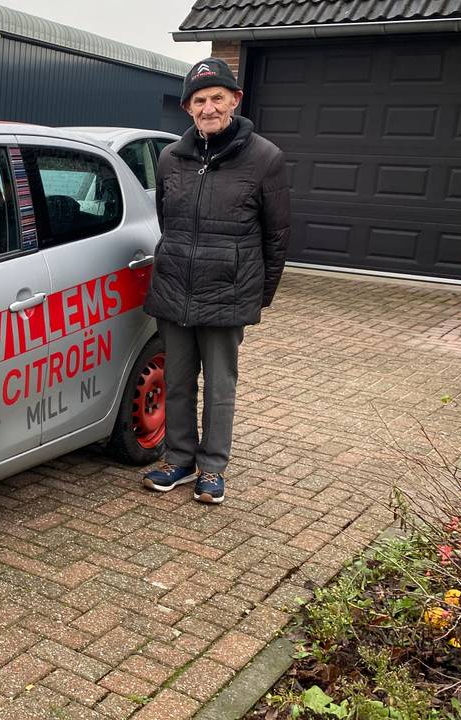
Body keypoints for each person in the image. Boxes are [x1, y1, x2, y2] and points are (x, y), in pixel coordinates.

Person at [141, 57, 290, 505]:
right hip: (174, 289)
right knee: (178, 381)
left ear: (235, 100)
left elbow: (277, 236)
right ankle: (178, 460)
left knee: (220, 387)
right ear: (187, 108)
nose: (208, 108)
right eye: (199, 100)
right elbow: (167, 221)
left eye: (217, 98)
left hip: (228, 292)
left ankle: (213, 467)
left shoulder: (265, 159)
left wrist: (258, 297)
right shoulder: (170, 158)